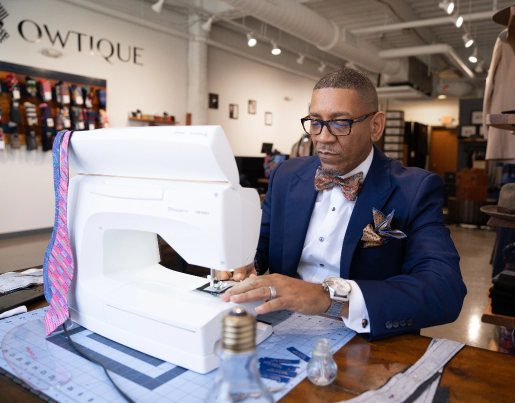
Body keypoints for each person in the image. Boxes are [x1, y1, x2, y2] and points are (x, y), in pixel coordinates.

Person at [220, 68, 467, 341]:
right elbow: (261, 244)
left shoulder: (414, 189)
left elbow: (444, 290)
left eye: (340, 123)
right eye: (315, 122)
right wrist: (244, 263)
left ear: (376, 126)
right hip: (282, 329)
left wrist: (327, 298)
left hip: (363, 338)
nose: (322, 137)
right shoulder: (286, 175)